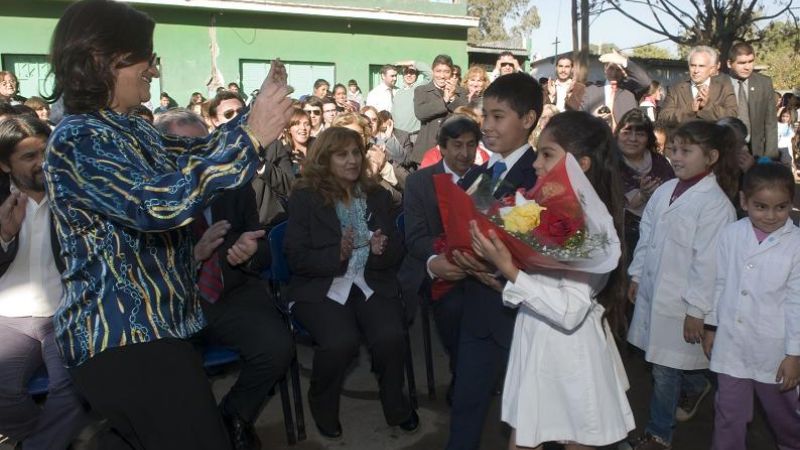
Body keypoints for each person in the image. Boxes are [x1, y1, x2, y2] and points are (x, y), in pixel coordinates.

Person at [42, 1, 293, 448]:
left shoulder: (128, 129)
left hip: (162, 332)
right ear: (105, 60)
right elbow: (158, 204)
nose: (154, 71)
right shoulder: (77, 138)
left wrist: (258, 115)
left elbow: (199, 155)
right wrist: (253, 135)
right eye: (147, 57)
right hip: (124, 341)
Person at [469, 111, 635, 450]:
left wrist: (511, 271)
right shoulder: (543, 212)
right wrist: (496, 269)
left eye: (548, 154)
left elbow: (570, 310)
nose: (536, 164)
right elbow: (540, 279)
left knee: (575, 438)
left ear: (581, 164)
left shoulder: (594, 228)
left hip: (573, 356)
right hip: (534, 343)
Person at [157, 110, 293, 450]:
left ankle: (235, 414)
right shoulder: (151, 196)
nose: (197, 154)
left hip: (232, 292)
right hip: (174, 301)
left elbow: (262, 249)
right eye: (185, 147)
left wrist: (248, 253)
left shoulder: (233, 184)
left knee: (277, 349)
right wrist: (194, 256)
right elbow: (145, 268)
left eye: (203, 145)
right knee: (172, 374)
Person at [284, 127, 418, 439]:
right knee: (339, 342)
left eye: (356, 152)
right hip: (321, 284)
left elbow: (397, 249)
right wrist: (337, 253)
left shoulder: (376, 194)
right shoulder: (305, 197)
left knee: (390, 335)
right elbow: (295, 257)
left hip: (370, 279)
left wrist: (381, 249)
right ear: (324, 159)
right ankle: (321, 403)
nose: (352, 160)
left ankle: (395, 404)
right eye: (342, 154)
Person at [627, 121, 740, 450]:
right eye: (672, 149)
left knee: (664, 369)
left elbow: (708, 264)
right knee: (669, 361)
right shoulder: (665, 191)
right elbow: (646, 236)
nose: (676, 157)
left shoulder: (715, 205)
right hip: (655, 292)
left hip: (683, 302)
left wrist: (696, 311)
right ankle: (698, 381)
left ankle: (658, 434)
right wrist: (636, 275)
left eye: (686, 151)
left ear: (711, 157)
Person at [445, 72, 542, 450]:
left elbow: (533, 244)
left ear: (529, 120)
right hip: (478, 309)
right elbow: (468, 227)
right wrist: (458, 255)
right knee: (466, 403)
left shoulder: (540, 174)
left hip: (521, 316)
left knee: (528, 415)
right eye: (485, 115)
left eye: (498, 116)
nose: (486, 125)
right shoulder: (481, 173)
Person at [0, 116, 91, 450]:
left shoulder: (75, 196)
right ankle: (42, 438)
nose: (43, 163)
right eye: (29, 157)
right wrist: (3, 236)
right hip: (7, 317)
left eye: (47, 151)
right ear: (4, 164)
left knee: (74, 387)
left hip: (67, 315)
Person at [703, 162, 800, 450]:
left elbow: (797, 301)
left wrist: (794, 354)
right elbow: (719, 282)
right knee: (728, 413)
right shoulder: (731, 234)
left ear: (791, 204)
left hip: (775, 350)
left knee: (785, 416)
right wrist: (711, 325)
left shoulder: (796, 245)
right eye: (761, 206)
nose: (771, 216)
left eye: (781, 208)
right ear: (744, 201)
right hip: (731, 344)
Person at [398, 116, 483, 401]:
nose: (465, 153)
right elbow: (415, 237)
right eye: (457, 145)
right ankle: (464, 373)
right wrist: (443, 258)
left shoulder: (484, 178)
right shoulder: (419, 182)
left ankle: (483, 369)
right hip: (436, 265)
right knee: (454, 307)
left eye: (471, 145)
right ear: (442, 148)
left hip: (481, 263)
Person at [615, 109, 675, 263]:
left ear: (648, 138)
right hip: (620, 237)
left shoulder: (660, 162)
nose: (633, 139)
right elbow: (629, 202)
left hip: (659, 234)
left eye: (640, 134)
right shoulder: (609, 164)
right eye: (627, 132)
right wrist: (643, 195)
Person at [725, 42, 778, 159]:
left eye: (750, 61)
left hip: (756, 153)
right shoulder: (717, 83)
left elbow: (771, 123)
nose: (747, 67)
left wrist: (770, 158)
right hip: (725, 153)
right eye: (742, 63)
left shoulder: (764, 83)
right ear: (729, 63)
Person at [659, 46, 738, 124]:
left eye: (701, 66)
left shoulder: (723, 88)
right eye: (693, 65)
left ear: (712, 69)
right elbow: (663, 117)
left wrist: (707, 106)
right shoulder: (676, 89)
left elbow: (732, 117)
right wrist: (690, 109)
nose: (696, 70)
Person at [412, 54, 468, 163]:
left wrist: (452, 97)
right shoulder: (421, 90)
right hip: (427, 149)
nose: (442, 76)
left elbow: (466, 117)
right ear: (433, 71)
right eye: (438, 71)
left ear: (451, 73)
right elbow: (420, 113)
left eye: (446, 72)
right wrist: (444, 100)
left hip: (453, 151)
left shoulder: (461, 92)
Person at [580, 50, 652, 131]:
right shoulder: (590, 91)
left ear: (623, 71)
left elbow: (646, 82)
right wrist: (593, 117)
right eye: (611, 68)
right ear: (605, 69)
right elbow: (580, 119)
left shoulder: (630, 90)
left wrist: (623, 61)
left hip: (623, 139)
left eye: (618, 69)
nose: (614, 73)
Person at [392, 61, 433, 137]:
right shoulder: (398, 93)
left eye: (412, 72)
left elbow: (430, 75)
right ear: (403, 75)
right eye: (406, 72)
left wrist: (412, 62)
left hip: (414, 135)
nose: (409, 75)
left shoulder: (420, 88)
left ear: (417, 76)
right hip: (398, 135)